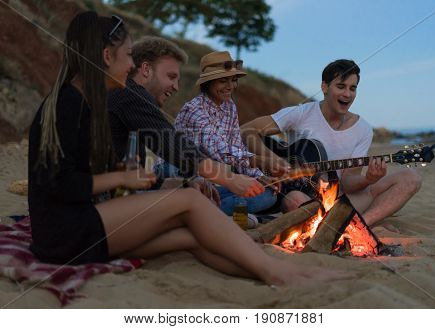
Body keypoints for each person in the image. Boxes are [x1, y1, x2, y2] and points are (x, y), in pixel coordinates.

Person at [28, 11, 349, 285]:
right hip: (66, 235)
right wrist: (228, 179)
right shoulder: (73, 104)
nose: (130, 64)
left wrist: (150, 181)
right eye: (127, 55)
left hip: (78, 227)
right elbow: (61, 184)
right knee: (191, 201)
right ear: (106, 56)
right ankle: (282, 274)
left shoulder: (89, 102)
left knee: (192, 235)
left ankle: (271, 276)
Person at [241, 59, 422, 226]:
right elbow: (246, 131)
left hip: (338, 198)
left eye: (353, 88)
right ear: (324, 87)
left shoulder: (363, 129)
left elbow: (349, 182)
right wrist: (271, 159)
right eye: (341, 86)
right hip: (300, 194)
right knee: (295, 200)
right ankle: (339, 224)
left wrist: (368, 179)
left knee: (411, 178)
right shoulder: (302, 113)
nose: (347, 94)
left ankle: (359, 225)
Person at [108, 37, 264, 203]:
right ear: (146, 69)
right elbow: (171, 142)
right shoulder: (130, 95)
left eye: (233, 81)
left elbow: (136, 180)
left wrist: (176, 184)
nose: (176, 87)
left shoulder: (230, 107)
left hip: (134, 191)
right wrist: (231, 178)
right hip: (108, 206)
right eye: (171, 76)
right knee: (194, 203)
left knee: (197, 194)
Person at [175, 51, 280, 216]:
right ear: (208, 83)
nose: (230, 86)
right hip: (185, 177)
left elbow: (236, 145)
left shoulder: (229, 106)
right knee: (244, 196)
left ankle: (208, 212)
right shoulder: (193, 109)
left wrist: (258, 176)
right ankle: (198, 214)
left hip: (216, 181)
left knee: (267, 194)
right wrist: (257, 160)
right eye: (223, 81)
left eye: (233, 80)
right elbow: (218, 149)